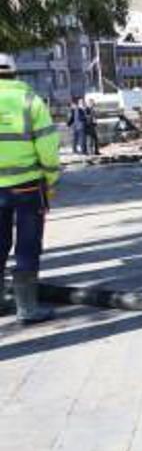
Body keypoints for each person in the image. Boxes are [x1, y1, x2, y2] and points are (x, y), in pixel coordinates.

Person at [0, 54, 60, 323]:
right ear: (15, 73)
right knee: (27, 245)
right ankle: (27, 308)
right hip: (27, 188)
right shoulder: (29, 101)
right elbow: (47, 147)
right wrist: (51, 177)